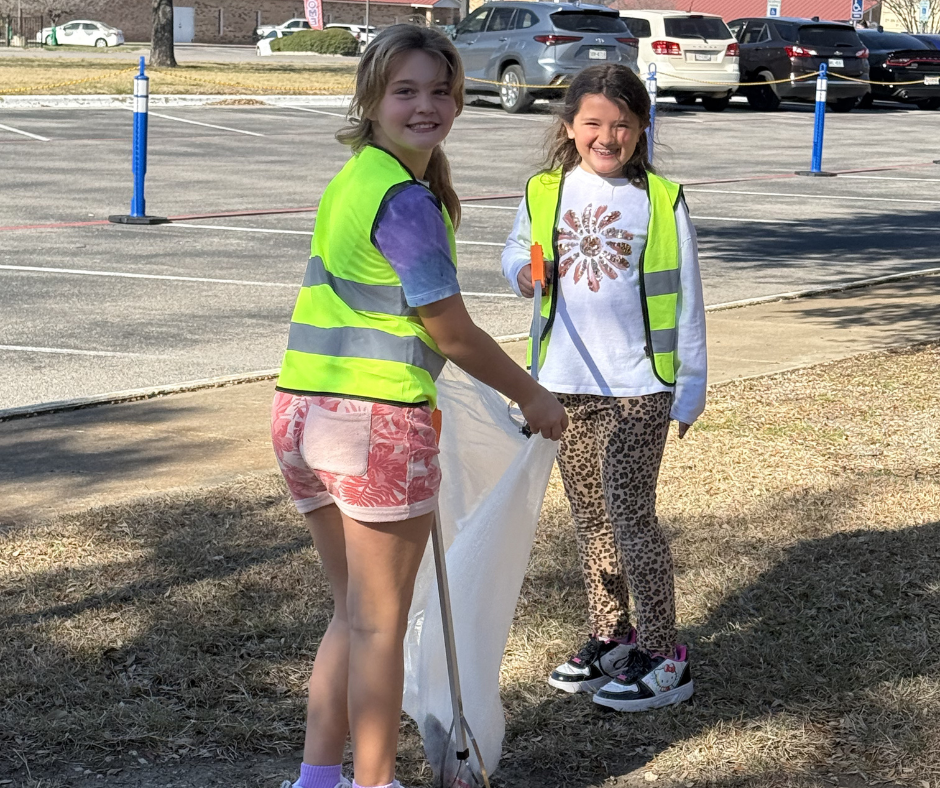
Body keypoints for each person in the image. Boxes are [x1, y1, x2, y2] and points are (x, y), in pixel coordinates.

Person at [271, 24, 567, 788]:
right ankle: (373, 781)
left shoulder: (357, 178)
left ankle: (318, 778)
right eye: (405, 91)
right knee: (379, 624)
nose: (426, 105)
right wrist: (533, 395)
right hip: (373, 423)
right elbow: (453, 332)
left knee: (351, 613)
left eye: (441, 90)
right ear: (371, 100)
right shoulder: (403, 202)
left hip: (303, 418)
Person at [501, 64, 707, 713]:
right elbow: (513, 252)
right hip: (562, 386)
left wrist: (691, 384)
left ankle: (664, 654)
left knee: (631, 519)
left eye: (622, 124)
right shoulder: (544, 191)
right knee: (593, 523)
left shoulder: (661, 201)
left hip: (637, 390)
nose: (608, 136)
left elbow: (690, 300)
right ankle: (610, 636)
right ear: (570, 126)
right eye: (594, 122)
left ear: (642, 129)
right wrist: (523, 273)